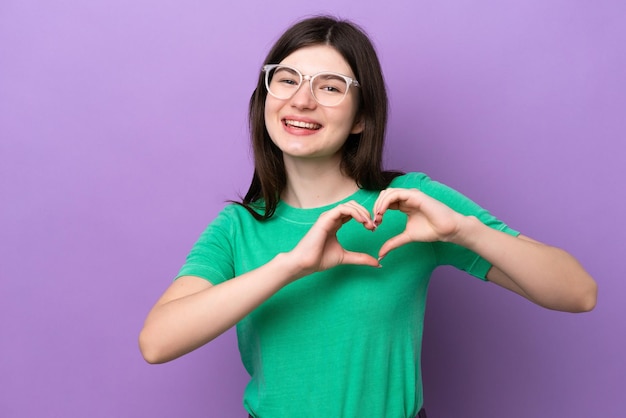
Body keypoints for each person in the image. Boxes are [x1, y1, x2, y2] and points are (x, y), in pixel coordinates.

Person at [139, 16, 597, 418]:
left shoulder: (409, 204)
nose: (302, 100)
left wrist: (464, 230)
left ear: (361, 118)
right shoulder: (238, 227)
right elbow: (157, 342)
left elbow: (578, 293)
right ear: (265, 97)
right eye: (287, 79)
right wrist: (292, 264)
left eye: (331, 87)